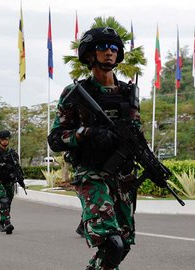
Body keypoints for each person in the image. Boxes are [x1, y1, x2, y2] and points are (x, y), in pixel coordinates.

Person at [48, 27, 140, 270]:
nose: (109, 52)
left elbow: (136, 132)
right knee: (112, 244)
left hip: (123, 176)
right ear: (90, 54)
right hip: (91, 173)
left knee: (124, 243)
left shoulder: (129, 93)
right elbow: (56, 139)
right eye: (102, 47)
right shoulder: (76, 93)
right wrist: (87, 133)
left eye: (113, 48)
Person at [0, 130, 23, 235]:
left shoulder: (13, 153)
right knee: (3, 200)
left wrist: (18, 176)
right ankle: (7, 223)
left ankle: (2, 222)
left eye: (6, 139)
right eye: (2, 139)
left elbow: (17, 167)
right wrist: (1, 165)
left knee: (8, 204)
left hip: (9, 182)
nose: (4, 141)